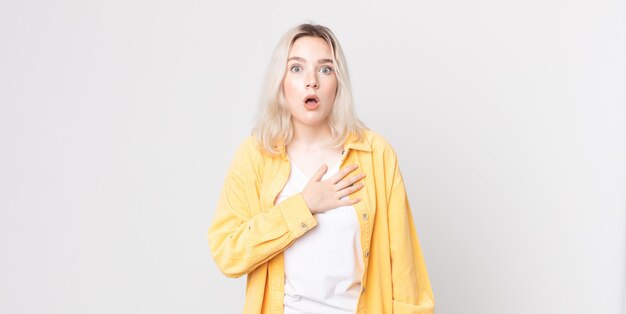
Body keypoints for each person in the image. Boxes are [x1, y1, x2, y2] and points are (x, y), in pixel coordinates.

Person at [208, 23, 434, 314]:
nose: (311, 81)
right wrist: (304, 205)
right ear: (281, 81)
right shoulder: (255, 155)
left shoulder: (376, 154)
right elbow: (228, 253)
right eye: (297, 68)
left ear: (338, 82)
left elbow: (405, 267)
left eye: (325, 69)